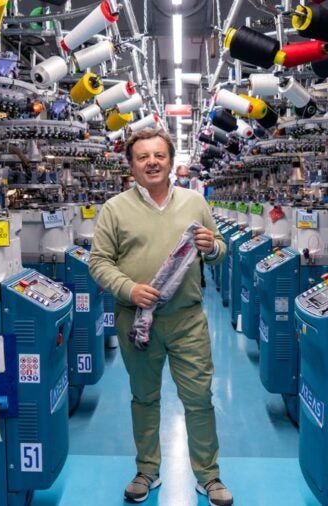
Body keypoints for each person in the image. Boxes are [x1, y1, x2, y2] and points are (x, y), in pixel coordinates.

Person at [89, 129, 233, 506]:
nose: (152, 162)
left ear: (170, 161)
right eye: (142, 157)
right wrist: (128, 288)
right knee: (144, 398)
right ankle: (147, 470)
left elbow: (220, 248)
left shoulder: (194, 201)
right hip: (137, 320)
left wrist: (211, 247)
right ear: (132, 166)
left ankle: (209, 475)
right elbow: (99, 262)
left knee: (199, 398)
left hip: (187, 320)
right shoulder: (115, 209)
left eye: (159, 155)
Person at [175, 164, 207, 287]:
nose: (184, 178)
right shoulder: (171, 189)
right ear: (177, 176)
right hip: (178, 226)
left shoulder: (195, 187)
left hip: (194, 225)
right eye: (181, 175)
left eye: (186, 176)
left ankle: (200, 278)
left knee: (196, 253)